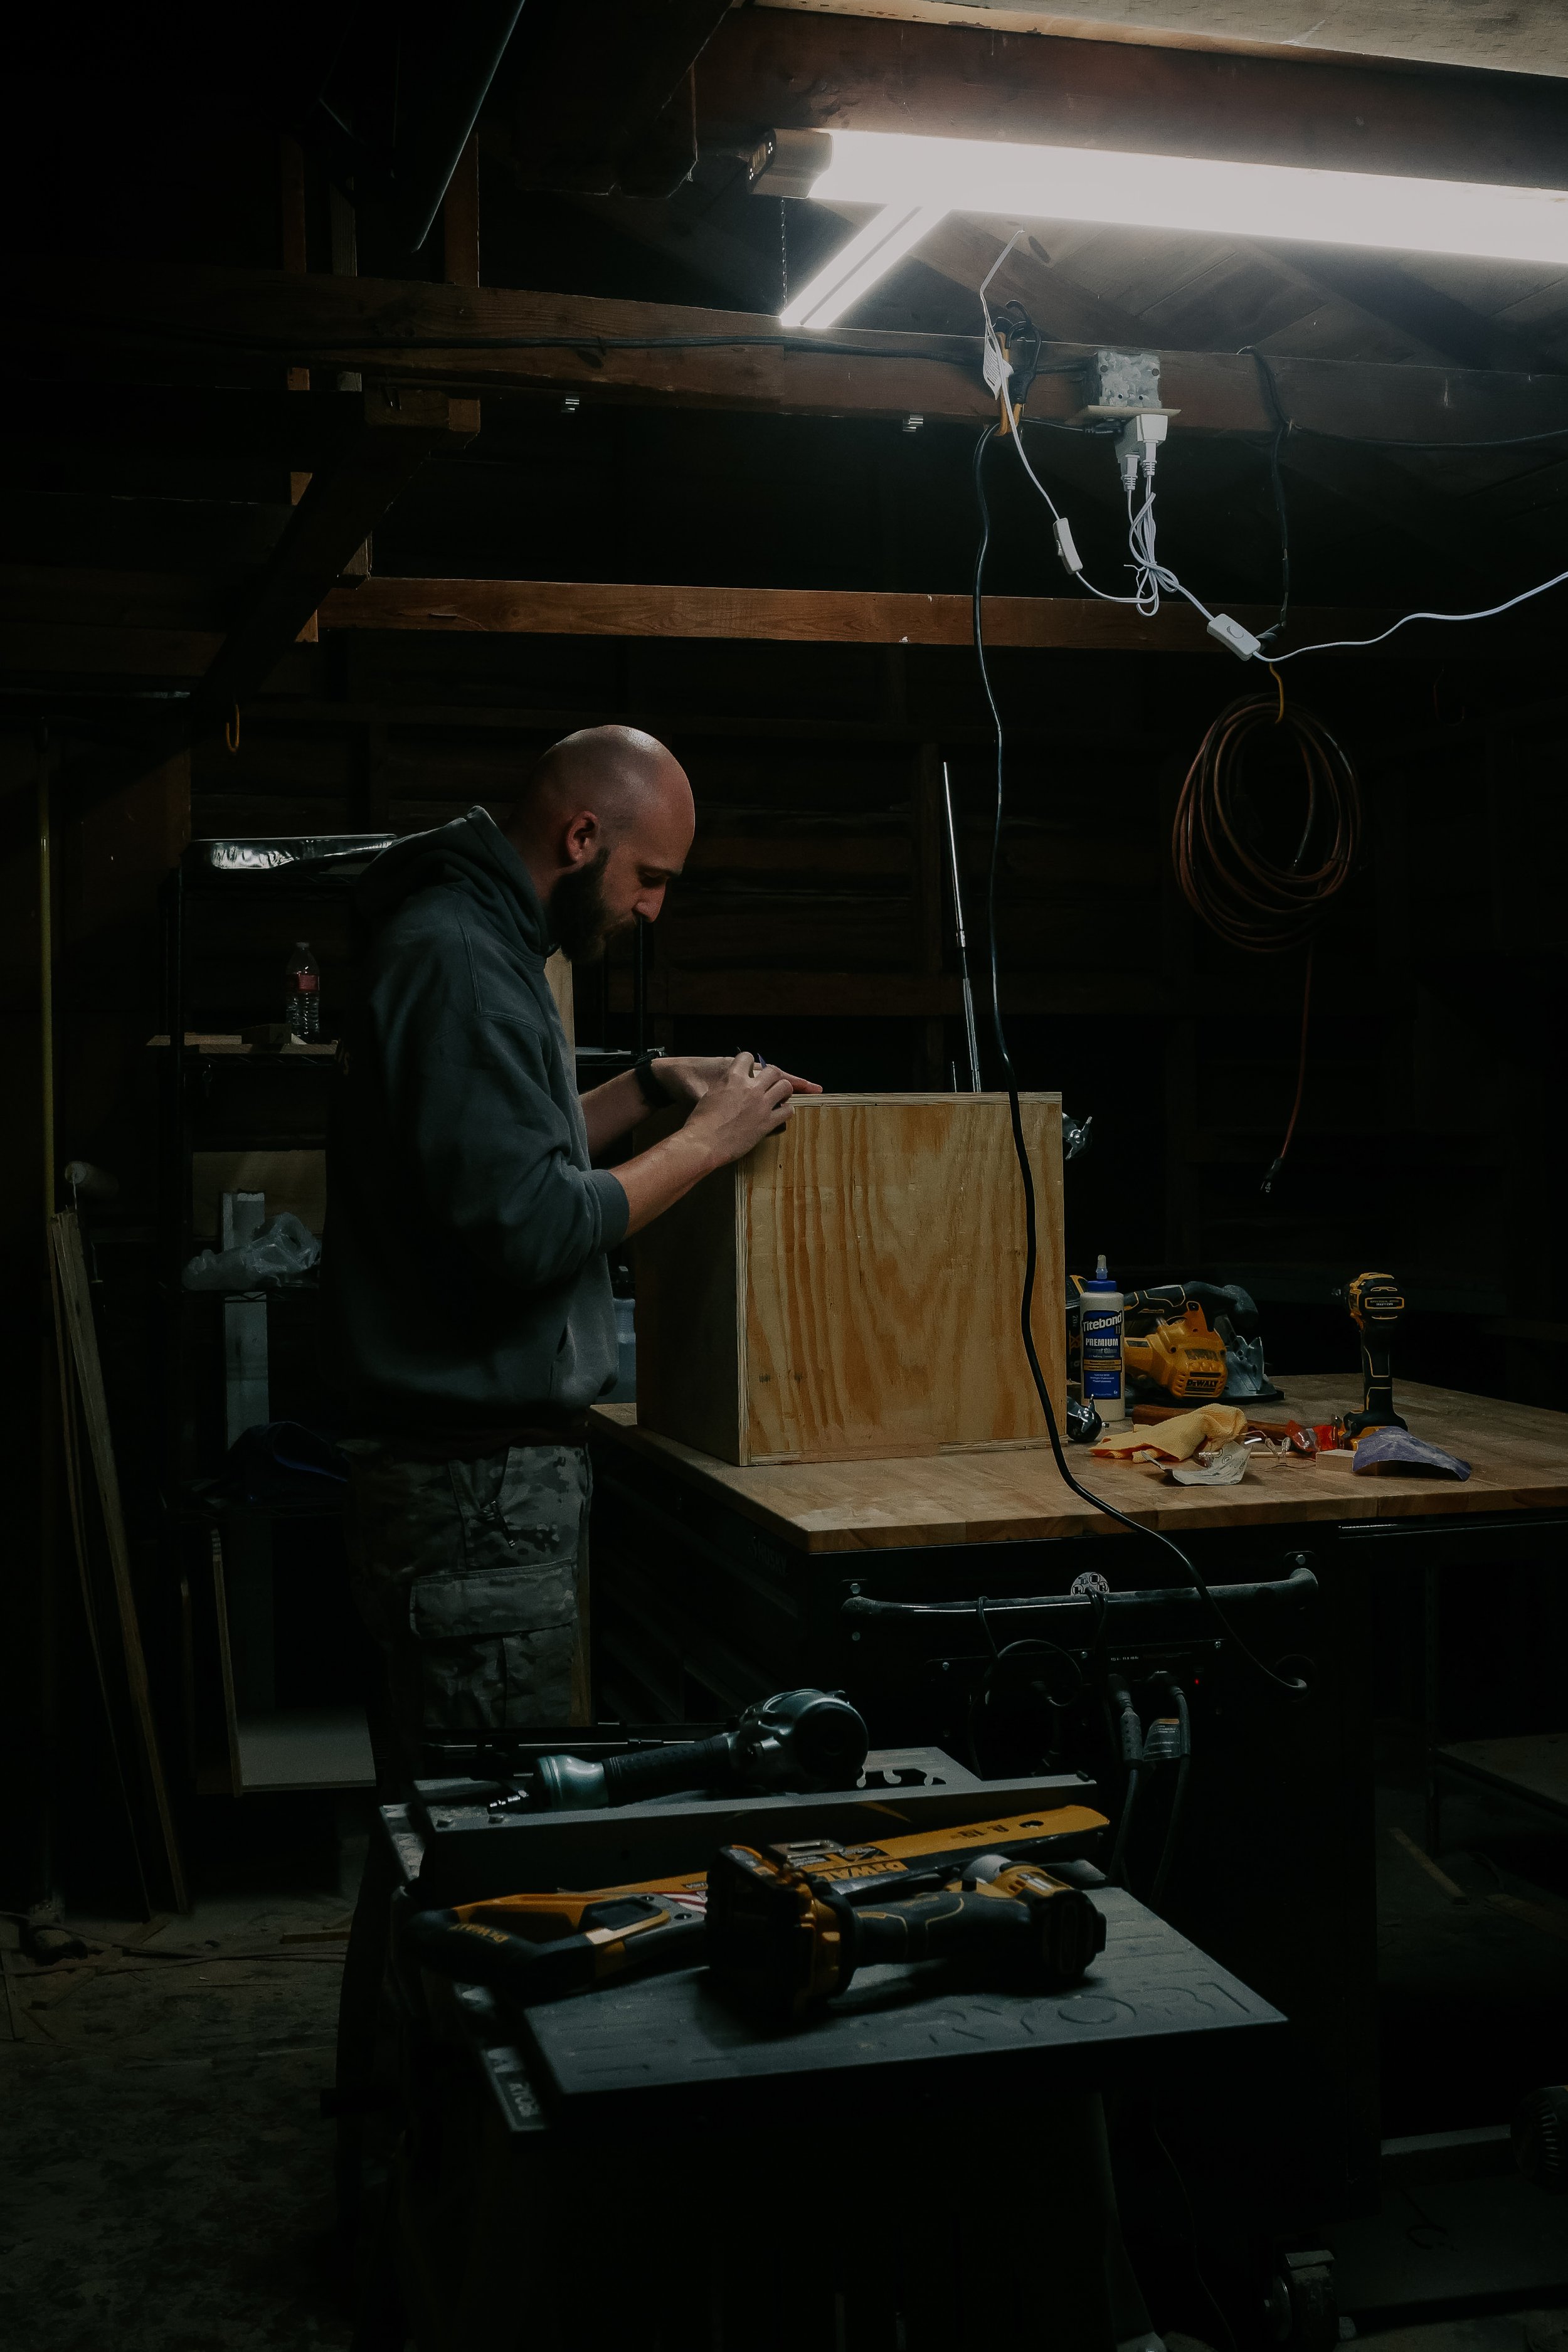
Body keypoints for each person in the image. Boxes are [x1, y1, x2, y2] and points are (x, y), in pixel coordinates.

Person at [325, 725, 818, 1762]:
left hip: (472, 1493)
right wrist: (704, 1141)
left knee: (463, 1822)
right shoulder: (460, 959)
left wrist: (645, 1088)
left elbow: (501, 1165)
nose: (653, 911)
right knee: (500, 1837)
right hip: (473, 1496)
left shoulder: (479, 937)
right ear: (583, 834)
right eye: (649, 879)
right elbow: (538, 1224)